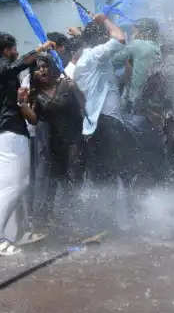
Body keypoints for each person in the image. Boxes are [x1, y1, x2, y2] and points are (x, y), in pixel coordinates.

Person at [0, 33, 55, 256]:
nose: (16, 53)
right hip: (9, 133)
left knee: (13, 185)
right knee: (7, 188)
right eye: (14, 49)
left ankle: (8, 234)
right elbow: (17, 64)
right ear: (5, 50)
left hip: (7, 133)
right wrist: (39, 49)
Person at [73, 14, 137, 225]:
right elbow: (119, 38)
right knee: (122, 173)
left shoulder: (84, 62)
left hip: (94, 125)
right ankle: (123, 223)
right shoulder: (95, 55)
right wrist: (105, 19)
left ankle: (103, 222)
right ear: (101, 39)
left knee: (102, 175)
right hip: (108, 123)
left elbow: (106, 86)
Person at [18, 54, 85, 227]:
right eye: (39, 68)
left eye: (45, 66)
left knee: (73, 178)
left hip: (72, 140)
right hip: (51, 144)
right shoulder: (36, 93)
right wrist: (22, 104)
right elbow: (33, 120)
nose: (42, 70)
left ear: (52, 67)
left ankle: (77, 219)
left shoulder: (66, 85)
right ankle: (47, 221)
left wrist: (84, 135)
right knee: (51, 181)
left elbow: (83, 107)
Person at [112, 18, 161, 112]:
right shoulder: (158, 46)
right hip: (154, 100)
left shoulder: (137, 44)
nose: (132, 34)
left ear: (142, 31)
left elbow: (113, 61)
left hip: (135, 100)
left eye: (134, 31)